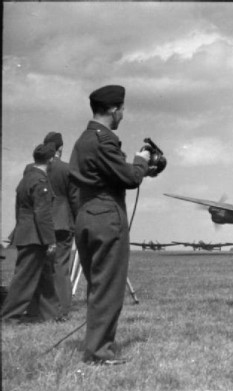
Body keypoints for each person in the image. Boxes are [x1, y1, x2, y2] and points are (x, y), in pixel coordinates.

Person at [69, 85, 151, 365]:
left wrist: (137, 168)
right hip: (107, 216)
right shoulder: (104, 140)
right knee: (109, 287)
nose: (123, 115)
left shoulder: (83, 139)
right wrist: (141, 162)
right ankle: (99, 352)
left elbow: (110, 173)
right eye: (122, 109)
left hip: (86, 213)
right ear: (114, 110)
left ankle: (97, 345)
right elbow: (129, 178)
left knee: (97, 284)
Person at [1, 144, 61, 324]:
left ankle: (49, 316)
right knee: (24, 278)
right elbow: (42, 214)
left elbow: (20, 211)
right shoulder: (40, 181)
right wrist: (50, 241)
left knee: (45, 276)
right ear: (51, 159)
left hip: (27, 234)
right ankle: (8, 317)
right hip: (35, 237)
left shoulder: (26, 179)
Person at [43, 131, 79, 319]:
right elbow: (75, 199)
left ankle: (43, 309)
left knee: (42, 268)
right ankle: (63, 310)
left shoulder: (35, 168)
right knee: (61, 267)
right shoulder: (67, 169)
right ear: (60, 148)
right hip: (63, 222)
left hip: (41, 222)